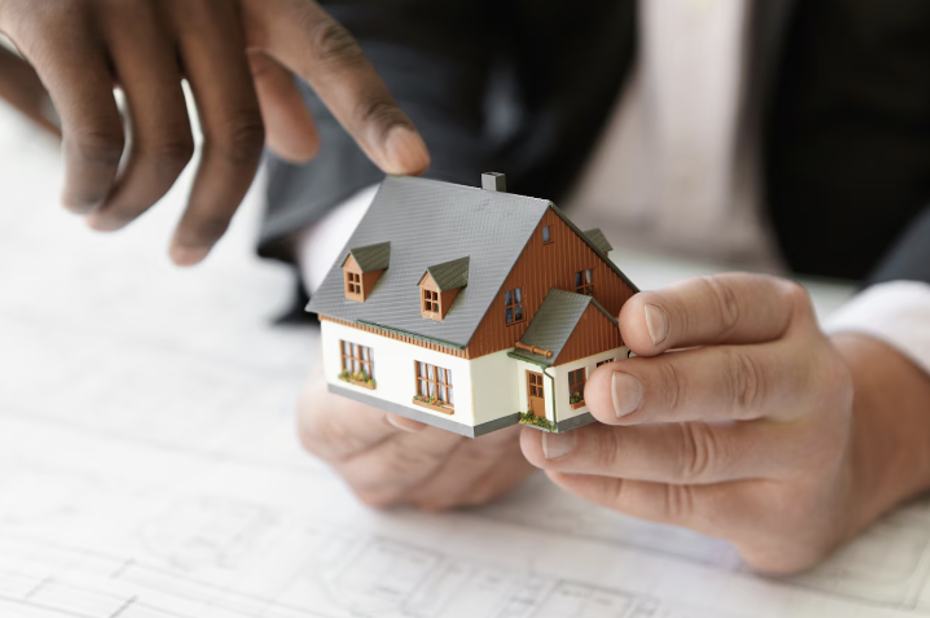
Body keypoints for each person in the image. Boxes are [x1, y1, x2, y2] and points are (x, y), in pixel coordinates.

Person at [1, 0, 929, 575]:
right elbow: (380, 23)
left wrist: (892, 399)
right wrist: (394, 241)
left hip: (872, 272)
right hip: (509, 230)